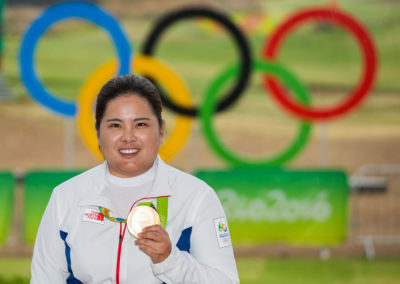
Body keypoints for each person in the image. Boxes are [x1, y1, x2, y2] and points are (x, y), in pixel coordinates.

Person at [30, 74, 240, 283]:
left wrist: (170, 261)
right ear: (98, 133)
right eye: (115, 125)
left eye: (140, 124)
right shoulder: (66, 197)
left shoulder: (197, 197)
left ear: (161, 130)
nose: (128, 136)